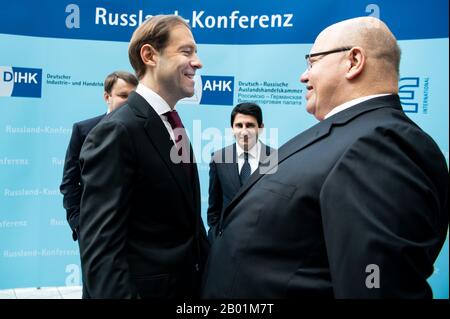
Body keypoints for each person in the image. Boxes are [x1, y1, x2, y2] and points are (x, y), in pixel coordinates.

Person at [201, 17, 449, 298]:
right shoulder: (349, 134)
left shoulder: (383, 145)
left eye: (312, 61)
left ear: (353, 61)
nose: (303, 76)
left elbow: (375, 287)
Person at [78, 15, 209, 299]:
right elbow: (101, 254)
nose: (198, 62)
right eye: (186, 51)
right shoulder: (116, 131)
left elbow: (188, 222)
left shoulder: (173, 124)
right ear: (149, 55)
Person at [60, 71, 137, 298]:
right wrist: (79, 225)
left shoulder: (144, 130)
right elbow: (69, 183)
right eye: (123, 95)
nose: (128, 102)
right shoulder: (84, 130)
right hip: (94, 232)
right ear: (107, 96)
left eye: (133, 97)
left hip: (134, 233)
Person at [207, 102, 274, 243]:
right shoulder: (219, 159)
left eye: (250, 125)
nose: (244, 131)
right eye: (239, 125)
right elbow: (214, 208)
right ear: (232, 128)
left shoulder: (275, 158)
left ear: (261, 128)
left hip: (262, 244)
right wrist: (215, 238)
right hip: (227, 243)